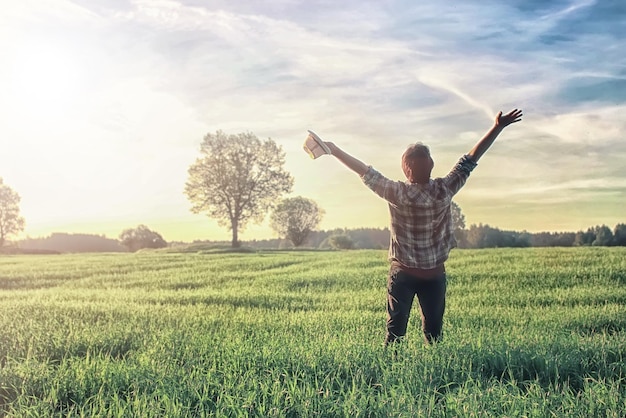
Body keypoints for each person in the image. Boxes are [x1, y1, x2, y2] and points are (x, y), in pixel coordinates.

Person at [317, 109, 523, 346]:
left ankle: (390, 371)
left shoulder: (397, 193)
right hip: (434, 274)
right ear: (432, 165)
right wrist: (497, 127)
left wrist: (333, 150)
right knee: (434, 333)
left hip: (402, 273)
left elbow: (364, 171)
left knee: (394, 333)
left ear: (406, 169)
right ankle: (434, 375)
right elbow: (471, 160)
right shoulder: (444, 190)